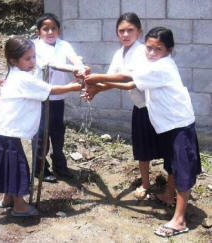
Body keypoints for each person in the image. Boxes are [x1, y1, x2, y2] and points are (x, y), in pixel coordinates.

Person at [83, 27, 201, 237]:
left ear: (169, 51)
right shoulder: (152, 63)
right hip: (169, 124)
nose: (152, 53)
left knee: (182, 170)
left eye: (158, 49)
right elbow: (130, 83)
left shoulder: (163, 66)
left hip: (179, 124)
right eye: (149, 48)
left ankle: (180, 220)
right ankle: (167, 197)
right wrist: (97, 85)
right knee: (173, 164)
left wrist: (94, 78)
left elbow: (125, 78)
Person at [0, 37, 82, 217]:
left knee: (8, 164)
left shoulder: (14, 71)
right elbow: (50, 90)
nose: (33, 62)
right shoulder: (22, 78)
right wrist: (73, 87)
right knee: (16, 166)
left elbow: (45, 65)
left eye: (33, 57)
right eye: (28, 59)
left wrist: (75, 66)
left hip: (3, 128)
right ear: (14, 60)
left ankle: (7, 198)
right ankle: (19, 205)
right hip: (8, 130)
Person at [86, 12, 162, 199]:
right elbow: (111, 79)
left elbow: (128, 79)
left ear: (139, 31)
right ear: (117, 33)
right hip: (140, 107)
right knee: (142, 148)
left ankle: (171, 188)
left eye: (130, 30)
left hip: (158, 107)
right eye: (121, 31)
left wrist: (97, 79)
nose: (125, 34)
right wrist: (95, 89)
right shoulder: (119, 54)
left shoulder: (143, 52)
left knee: (167, 147)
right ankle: (146, 183)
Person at [32, 13, 87, 182]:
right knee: (41, 135)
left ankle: (59, 166)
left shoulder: (64, 45)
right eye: (45, 29)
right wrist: (73, 69)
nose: (50, 32)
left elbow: (74, 58)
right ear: (38, 31)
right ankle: (40, 169)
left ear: (59, 30)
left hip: (58, 98)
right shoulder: (34, 46)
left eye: (53, 28)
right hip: (41, 97)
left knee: (58, 133)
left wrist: (80, 66)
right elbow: (49, 64)